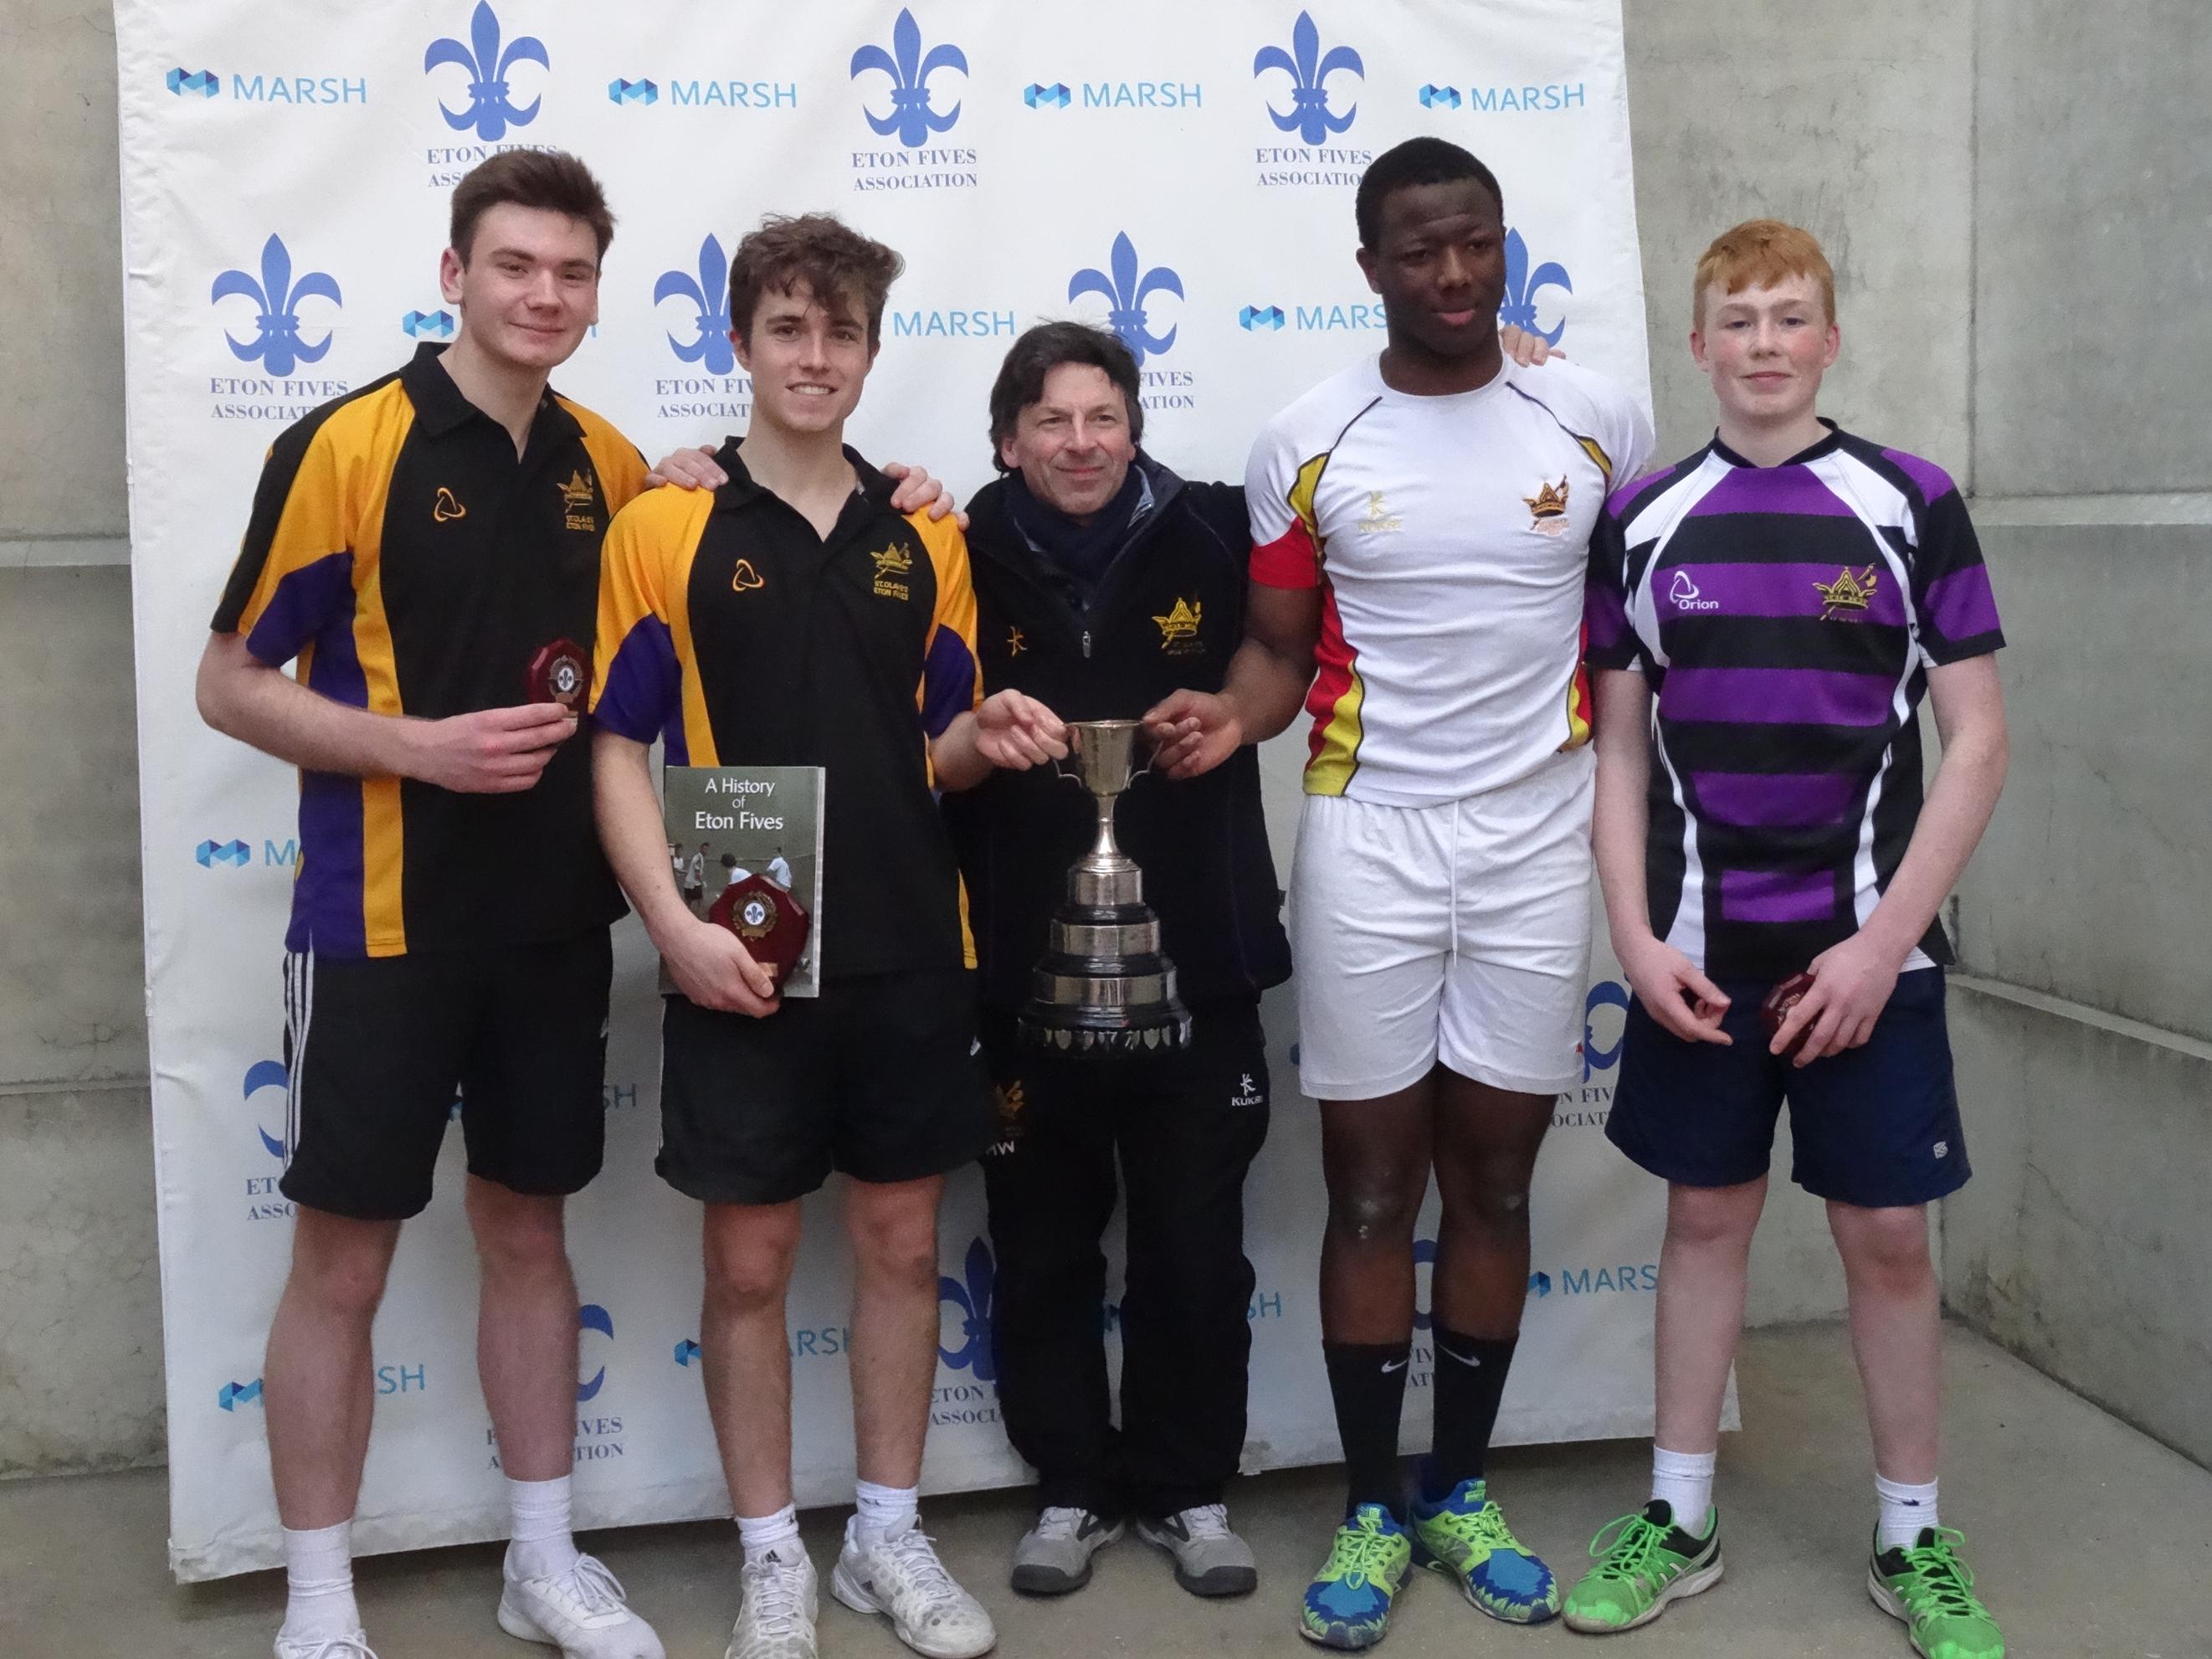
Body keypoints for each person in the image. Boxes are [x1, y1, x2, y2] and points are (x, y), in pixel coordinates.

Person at [1148, 136, 1655, 1648]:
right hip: (1367, 837)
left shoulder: (1596, 413)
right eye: (1421, 251)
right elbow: (1281, 654)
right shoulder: (1307, 434)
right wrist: (1227, 717)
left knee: (1496, 1179)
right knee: (1374, 1184)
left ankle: (1461, 1486)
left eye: (1478, 244)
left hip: (1535, 838)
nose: (1453, 276)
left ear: (1506, 246)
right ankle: (1373, 1503)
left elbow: (1635, 633)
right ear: (1368, 266)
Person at [195, 150, 665, 1659]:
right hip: (377, 923)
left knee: (530, 1230)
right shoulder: (347, 445)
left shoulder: (615, 460)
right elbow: (229, 682)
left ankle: (542, 1557)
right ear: (454, 274)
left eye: (573, 271)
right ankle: (320, 1601)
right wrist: (417, 750)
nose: (545, 293)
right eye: (515, 263)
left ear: (597, 290)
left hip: (552, 928)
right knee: (341, 1254)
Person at [589, 211, 1065, 1659]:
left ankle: (886, 1535)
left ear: (870, 350)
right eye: (786, 328)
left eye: (839, 330)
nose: (814, 354)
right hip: (742, 938)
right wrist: (671, 923)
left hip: (915, 941)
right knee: (744, 1263)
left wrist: (984, 734)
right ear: (739, 344)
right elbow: (616, 748)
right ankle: (768, 1559)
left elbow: (937, 747)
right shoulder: (663, 520)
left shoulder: (925, 528)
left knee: (904, 1246)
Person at [1561, 219, 2009, 1659]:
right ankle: (1679, 1515)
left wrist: (1884, 943)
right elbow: (1619, 757)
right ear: (1697, 346)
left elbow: (1980, 742)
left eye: (1790, 317)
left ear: (1831, 338)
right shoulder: (1639, 519)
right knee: (1704, 1220)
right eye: (1736, 319)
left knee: (1884, 1235)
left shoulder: (1913, 501)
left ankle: (1912, 1537)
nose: (1763, 342)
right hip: (1702, 955)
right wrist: (1633, 937)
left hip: (1870, 952)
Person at [954, 322, 1290, 1598]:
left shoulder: (1215, 522)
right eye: (1052, 421)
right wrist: (697, 464)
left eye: (1103, 417)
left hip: (1198, 960)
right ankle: (1072, 1486)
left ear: (1135, 426)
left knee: (1196, 1250)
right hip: (1023, 979)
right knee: (1040, 1245)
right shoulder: (951, 544)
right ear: (1007, 438)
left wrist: (1241, 712)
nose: (1081, 443)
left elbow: (1293, 625)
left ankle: (1189, 1486)